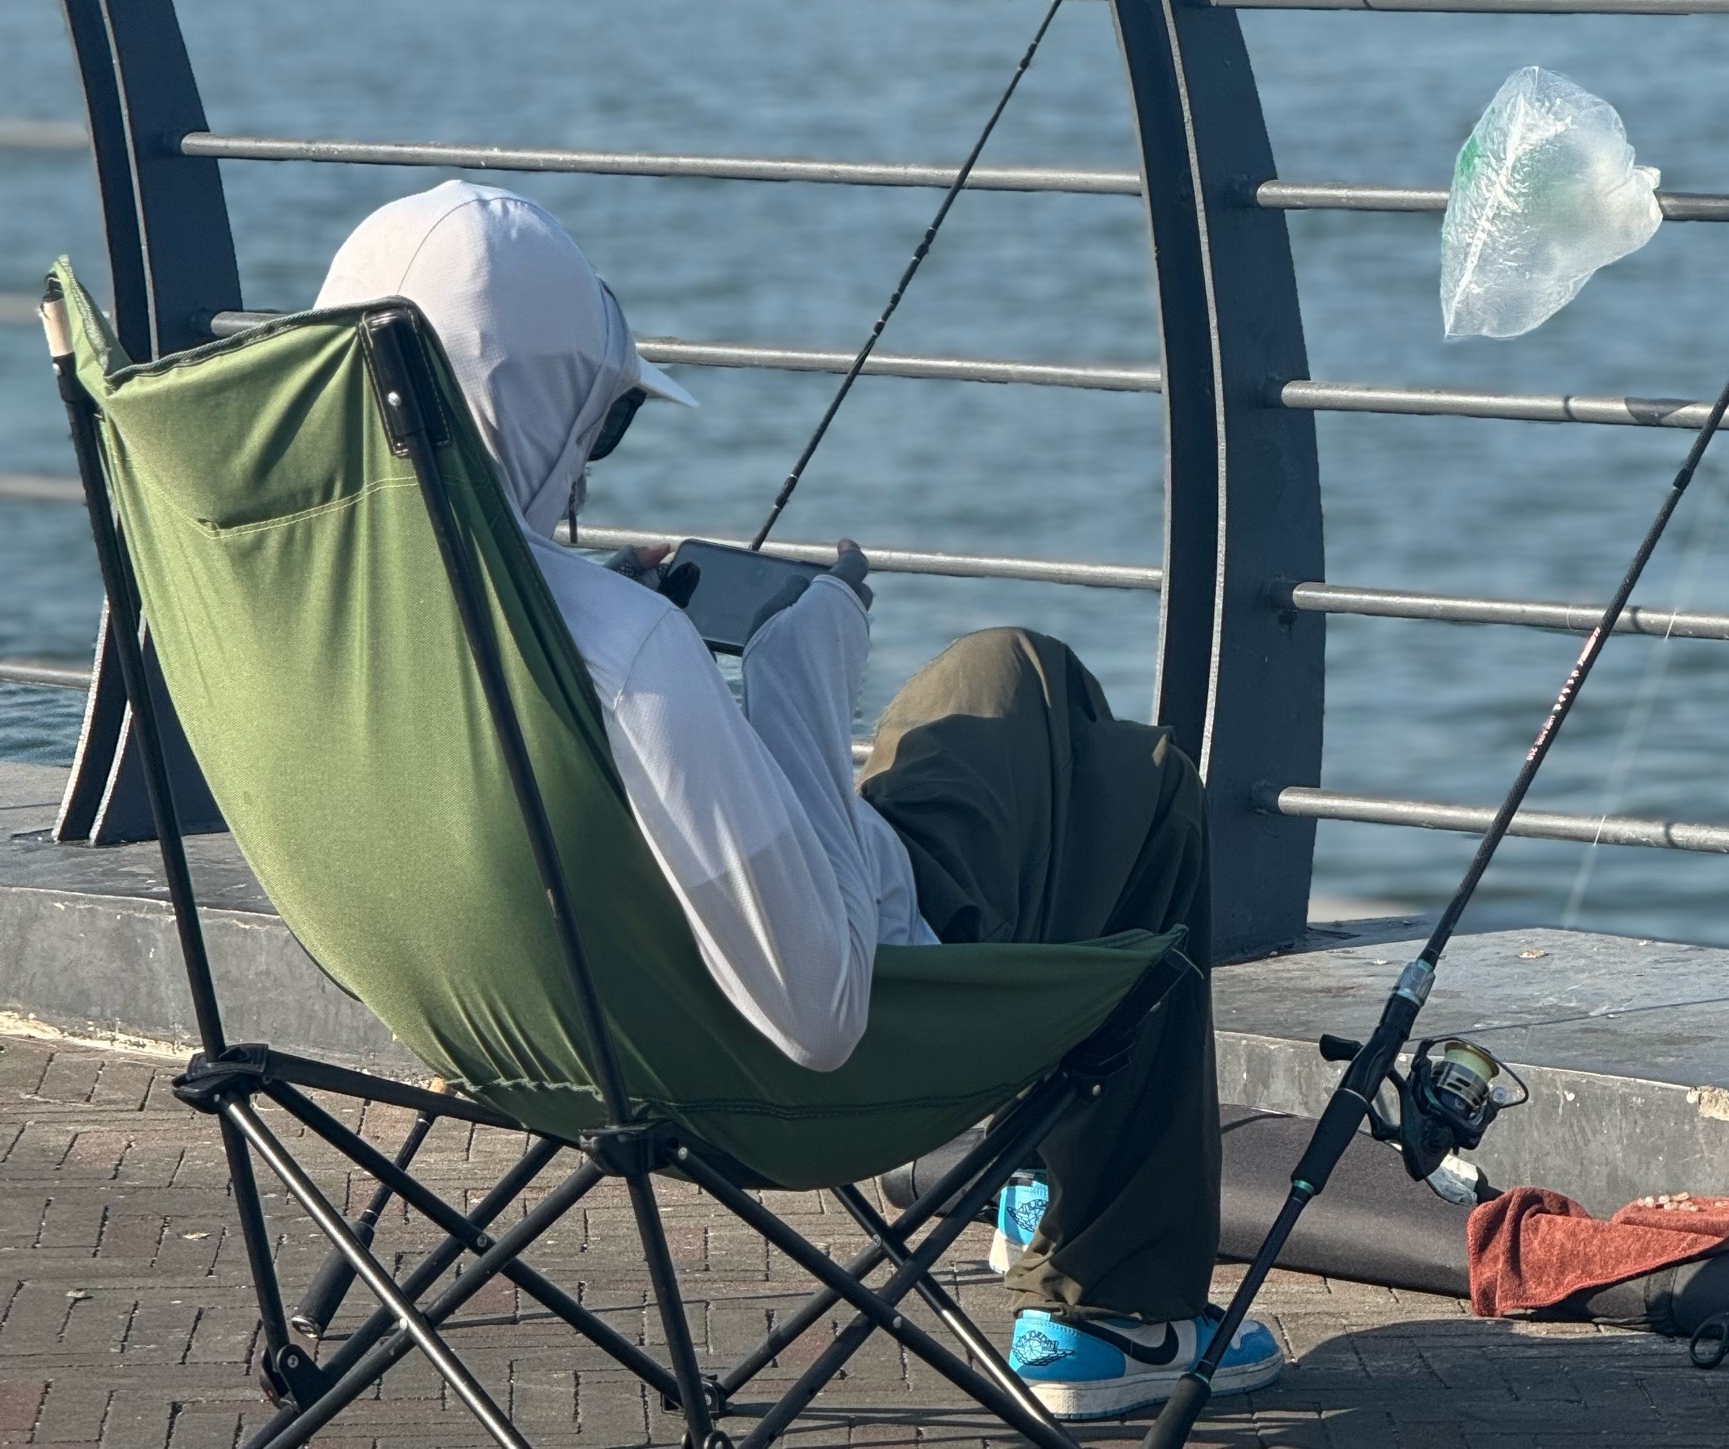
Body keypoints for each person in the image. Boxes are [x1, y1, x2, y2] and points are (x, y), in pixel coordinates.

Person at [315, 179, 1282, 1418]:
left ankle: (1036, 1178)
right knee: (1117, 767)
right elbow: (823, 1011)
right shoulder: (620, 654)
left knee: (1005, 679)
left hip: (501, 1025)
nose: (588, 464)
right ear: (534, 408)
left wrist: (611, 631)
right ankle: (1122, 1310)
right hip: (764, 1073)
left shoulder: (340, 630)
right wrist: (796, 670)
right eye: (597, 426)